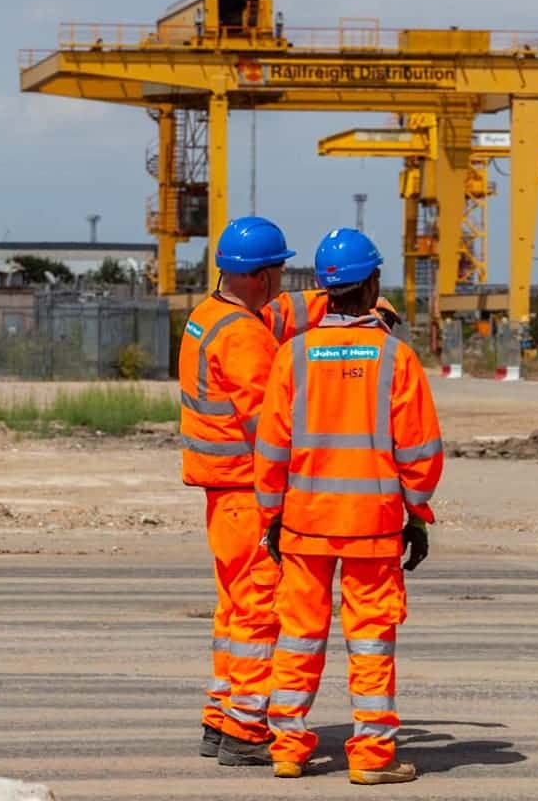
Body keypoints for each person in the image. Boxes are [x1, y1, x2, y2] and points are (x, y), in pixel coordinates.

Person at [254, 227, 443, 785]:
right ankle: (371, 756)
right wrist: (418, 513)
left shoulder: (294, 356)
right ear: (374, 283)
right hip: (374, 526)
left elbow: (271, 447)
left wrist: (272, 514)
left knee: (298, 636)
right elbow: (420, 450)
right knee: (371, 640)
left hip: (304, 525)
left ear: (322, 289)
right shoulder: (395, 358)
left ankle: (287, 748)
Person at [179, 215, 296, 767]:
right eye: (278, 271)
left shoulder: (207, 316)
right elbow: (268, 427)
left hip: (219, 494)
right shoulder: (247, 335)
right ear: (258, 278)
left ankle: (220, 716)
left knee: (233, 609)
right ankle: (247, 731)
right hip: (247, 493)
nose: (283, 282)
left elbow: (291, 310)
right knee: (258, 610)